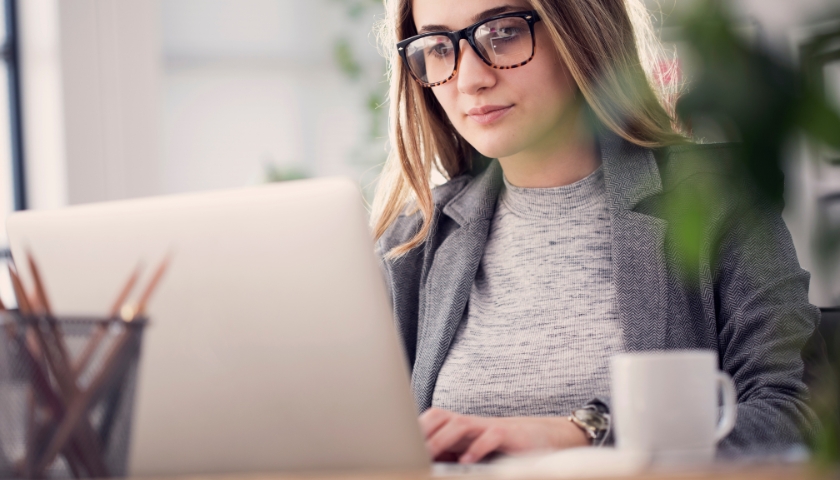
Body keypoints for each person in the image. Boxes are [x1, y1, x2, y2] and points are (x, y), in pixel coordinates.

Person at [371, 0, 820, 464]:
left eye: (503, 32)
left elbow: (792, 413)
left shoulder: (715, 197)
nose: (469, 79)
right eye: (438, 47)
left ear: (579, 30)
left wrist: (587, 431)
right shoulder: (413, 240)